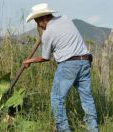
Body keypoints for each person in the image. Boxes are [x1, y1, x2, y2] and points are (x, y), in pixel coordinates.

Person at [23, 3, 98, 132]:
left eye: (37, 22)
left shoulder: (48, 33)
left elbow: (45, 57)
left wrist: (29, 60)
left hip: (69, 64)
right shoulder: (65, 18)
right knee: (87, 97)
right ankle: (93, 129)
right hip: (85, 60)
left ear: (43, 19)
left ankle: (63, 129)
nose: (37, 25)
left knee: (57, 98)